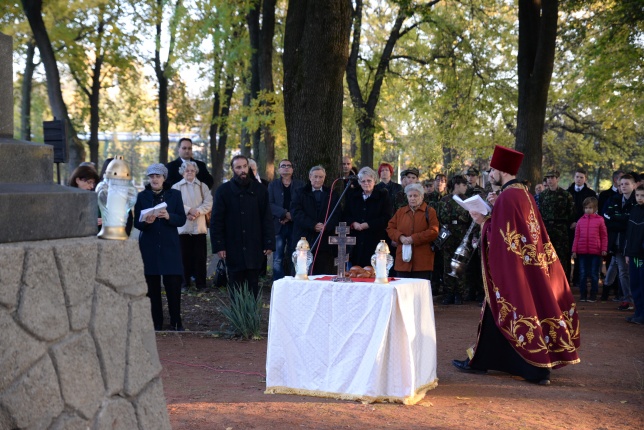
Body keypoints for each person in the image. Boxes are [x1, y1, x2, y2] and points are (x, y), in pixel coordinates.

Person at [452, 145, 580, 386]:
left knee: (514, 308)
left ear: (501, 170)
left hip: (515, 268)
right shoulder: (523, 194)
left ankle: (535, 369)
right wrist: (493, 211)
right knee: (497, 309)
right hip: (529, 264)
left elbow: (499, 237)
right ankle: (483, 360)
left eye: (492, 169)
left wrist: (482, 220)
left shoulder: (508, 197)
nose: (490, 173)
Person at [210, 155, 274, 298]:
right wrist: (219, 246)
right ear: (233, 169)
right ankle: (238, 319)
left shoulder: (260, 190)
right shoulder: (223, 191)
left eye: (245, 166)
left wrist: (269, 242)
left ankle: (251, 319)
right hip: (233, 246)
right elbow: (216, 221)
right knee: (235, 287)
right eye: (238, 167)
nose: (243, 170)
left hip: (254, 245)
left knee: (253, 286)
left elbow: (267, 218)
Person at [134, 164, 187, 331]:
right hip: (149, 246)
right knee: (152, 286)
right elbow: (137, 223)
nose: (154, 179)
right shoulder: (142, 196)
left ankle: (176, 321)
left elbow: (182, 219)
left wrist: (169, 216)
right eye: (151, 176)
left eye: (158, 176)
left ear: (164, 178)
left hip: (169, 246)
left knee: (173, 284)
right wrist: (146, 222)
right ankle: (156, 322)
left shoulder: (175, 195)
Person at [291, 165, 340, 275]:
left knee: (322, 273)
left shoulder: (332, 194)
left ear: (325, 178)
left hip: (324, 241)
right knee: (302, 272)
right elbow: (296, 213)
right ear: (310, 177)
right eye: (315, 177)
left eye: (321, 177)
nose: (318, 180)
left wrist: (326, 226)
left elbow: (336, 214)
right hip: (304, 238)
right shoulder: (299, 192)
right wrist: (313, 225)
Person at [172, 161, 213, 290]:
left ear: (196, 172)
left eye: (192, 170)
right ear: (182, 172)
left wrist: (197, 212)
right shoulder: (176, 187)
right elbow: (174, 204)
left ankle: (201, 284)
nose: (189, 172)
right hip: (182, 228)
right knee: (183, 257)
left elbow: (208, 203)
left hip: (199, 227)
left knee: (200, 258)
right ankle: (184, 284)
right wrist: (189, 210)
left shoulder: (203, 186)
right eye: (187, 170)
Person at [386, 183, 439, 279]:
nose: (412, 198)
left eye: (415, 196)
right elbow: (390, 228)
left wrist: (413, 239)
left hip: (422, 263)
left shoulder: (430, 211)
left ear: (422, 197)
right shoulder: (400, 211)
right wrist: (400, 237)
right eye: (410, 196)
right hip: (403, 262)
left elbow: (433, 231)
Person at [344, 167, 392, 267]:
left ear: (374, 181)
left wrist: (368, 224)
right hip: (356, 242)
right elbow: (345, 214)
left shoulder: (382, 195)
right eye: (363, 181)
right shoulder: (353, 195)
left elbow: (386, 217)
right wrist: (353, 223)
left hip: (375, 240)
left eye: (369, 181)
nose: (366, 183)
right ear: (359, 182)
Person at [603, 174, 637, 310]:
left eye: (627, 184)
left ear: (634, 186)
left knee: (633, 271)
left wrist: (617, 219)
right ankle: (627, 300)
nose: (623, 186)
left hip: (633, 243)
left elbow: (632, 223)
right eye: (621, 184)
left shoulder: (637, 201)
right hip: (617, 242)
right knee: (622, 272)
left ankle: (636, 299)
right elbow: (607, 219)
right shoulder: (614, 199)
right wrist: (622, 220)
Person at [437, 175, 472, 305]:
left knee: (461, 264)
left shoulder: (467, 201)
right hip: (448, 235)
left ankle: (460, 294)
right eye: (464, 185)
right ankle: (448, 293)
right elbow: (439, 218)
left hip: (462, 235)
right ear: (457, 184)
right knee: (448, 265)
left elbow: (471, 221)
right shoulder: (445, 200)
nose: (465, 188)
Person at [268, 159, 304, 280]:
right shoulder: (273, 185)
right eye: (283, 166)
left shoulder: (300, 185)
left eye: (289, 166)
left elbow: (302, 205)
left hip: (295, 225)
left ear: (293, 169)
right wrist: (284, 214)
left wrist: (290, 216)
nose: (286, 168)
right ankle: (278, 283)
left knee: (295, 254)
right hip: (278, 225)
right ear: (279, 170)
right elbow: (270, 204)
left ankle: (295, 281)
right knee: (278, 257)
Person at [539, 170, 575, 282]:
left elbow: (572, 212)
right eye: (548, 178)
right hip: (546, 227)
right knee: (546, 254)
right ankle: (548, 281)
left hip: (561, 228)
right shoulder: (542, 195)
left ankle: (563, 281)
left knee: (562, 256)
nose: (550, 180)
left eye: (552, 177)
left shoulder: (566, 195)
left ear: (557, 179)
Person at [571, 197, 607, 302]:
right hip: (582, 252)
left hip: (595, 252)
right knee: (582, 274)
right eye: (586, 208)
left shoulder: (600, 220)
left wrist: (604, 248)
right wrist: (574, 250)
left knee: (594, 274)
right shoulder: (580, 221)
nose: (588, 210)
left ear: (595, 208)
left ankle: (593, 294)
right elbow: (576, 236)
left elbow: (604, 236)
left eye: (590, 207)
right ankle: (583, 294)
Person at [567, 168, 597, 287]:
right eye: (577, 177)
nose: (579, 179)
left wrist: (578, 223)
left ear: (585, 179)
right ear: (574, 178)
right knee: (569, 253)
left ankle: (578, 280)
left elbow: (592, 211)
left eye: (581, 177)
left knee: (581, 254)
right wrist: (571, 222)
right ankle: (567, 279)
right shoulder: (568, 192)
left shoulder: (590, 193)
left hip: (585, 228)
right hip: (569, 228)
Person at [624, 185, 644, 324]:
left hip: (642, 256)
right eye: (637, 195)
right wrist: (627, 253)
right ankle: (638, 312)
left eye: (642, 196)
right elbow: (629, 233)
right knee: (635, 284)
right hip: (633, 255)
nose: (640, 198)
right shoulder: (634, 209)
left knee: (643, 285)